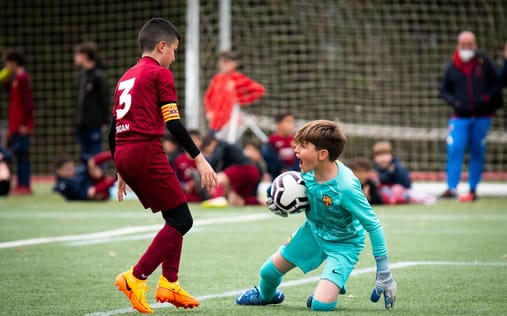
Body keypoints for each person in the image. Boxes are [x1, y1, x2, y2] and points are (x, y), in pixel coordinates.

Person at [108, 18, 217, 314]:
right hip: (145, 149)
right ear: (162, 46)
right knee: (183, 221)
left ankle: (169, 282)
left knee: (175, 213)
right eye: (175, 51)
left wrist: (119, 167)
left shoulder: (126, 76)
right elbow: (173, 123)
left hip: (124, 150)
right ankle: (136, 277)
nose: (174, 57)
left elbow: (113, 126)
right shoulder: (160, 74)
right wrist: (199, 157)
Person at [236, 120, 397, 311]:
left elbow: (374, 225)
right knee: (268, 272)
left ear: (322, 154)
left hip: (344, 244)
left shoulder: (346, 188)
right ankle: (265, 296)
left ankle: (327, 290)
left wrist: (384, 272)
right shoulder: (308, 172)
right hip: (313, 232)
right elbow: (286, 185)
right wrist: (274, 198)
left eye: (303, 146)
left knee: (321, 305)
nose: (296, 149)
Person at [439, 31, 502, 202]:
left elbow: (497, 83)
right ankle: (451, 187)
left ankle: (473, 189)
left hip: (482, 117)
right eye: (463, 44)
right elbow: (444, 91)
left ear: (475, 45)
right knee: (455, 148)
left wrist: (488, 100)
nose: (466, 48)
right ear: (458, 45)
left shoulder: (484, 63)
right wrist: (455, 102)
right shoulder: (452, 66)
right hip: (460, 117)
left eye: (470, 44)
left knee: (477, 152)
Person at [203, 51, 265, 133]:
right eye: (220, 62)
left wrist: (240, 100)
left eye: (225, 62)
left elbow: (260, 90)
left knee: (230, 144)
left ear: (234, 63)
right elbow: (207, 97)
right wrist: (209, 111)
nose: (221, 65)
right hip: (215, 122)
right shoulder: (217, 78)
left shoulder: (239, 78)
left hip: (231, 123)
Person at [3, 49, 34, 195]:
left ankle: (25, 185)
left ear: (14, 63)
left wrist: (25, 125)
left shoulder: (22, 79)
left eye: (8, 63)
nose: (7, 66)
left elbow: (28, 104)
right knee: (17, 154)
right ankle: (21, 183)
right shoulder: (16, 79)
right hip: (15, 126)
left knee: (22, 156)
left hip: (21, 127)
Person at [74, 42, 110, 162]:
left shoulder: (98, 76)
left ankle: (98, 180)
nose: (75, 58)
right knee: (84, 157)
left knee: (96, 157)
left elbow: (105, 100)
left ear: (85, 56)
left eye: (78, 54)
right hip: (82, 124)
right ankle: (86, 181)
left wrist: (104, 121)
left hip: (94, 124)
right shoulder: (81, 75)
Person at [201, 134, 260, 207]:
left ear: (212, 143)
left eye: (208, 150)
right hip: (254, 172)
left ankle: (216, 199)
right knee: (234, 200)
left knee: (217, 179)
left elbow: (216, 161)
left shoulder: (220, 145)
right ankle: (261, 202)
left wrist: (208, 170)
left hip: (245, 168)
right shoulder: (227, 148)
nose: (210, 154)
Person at [172, 130, 209, 202]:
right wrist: (184, 186)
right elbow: (174, 178)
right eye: (191, 139)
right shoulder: (179, 160)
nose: (194, 142)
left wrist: (194, 183)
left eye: (197, 139)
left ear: (200, 142)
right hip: (184, 197)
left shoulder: (205, 160)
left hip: (202, 197)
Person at [262, 113, 299, 178]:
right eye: (288, 122)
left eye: (292, 122)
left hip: (294, 174)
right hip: (276, 175)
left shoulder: (295, 141)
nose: (291, 125)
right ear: (278, 124)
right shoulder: (272, 140)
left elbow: (299, 158)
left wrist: (292, 169)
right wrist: (281, 169)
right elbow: (269, 158)